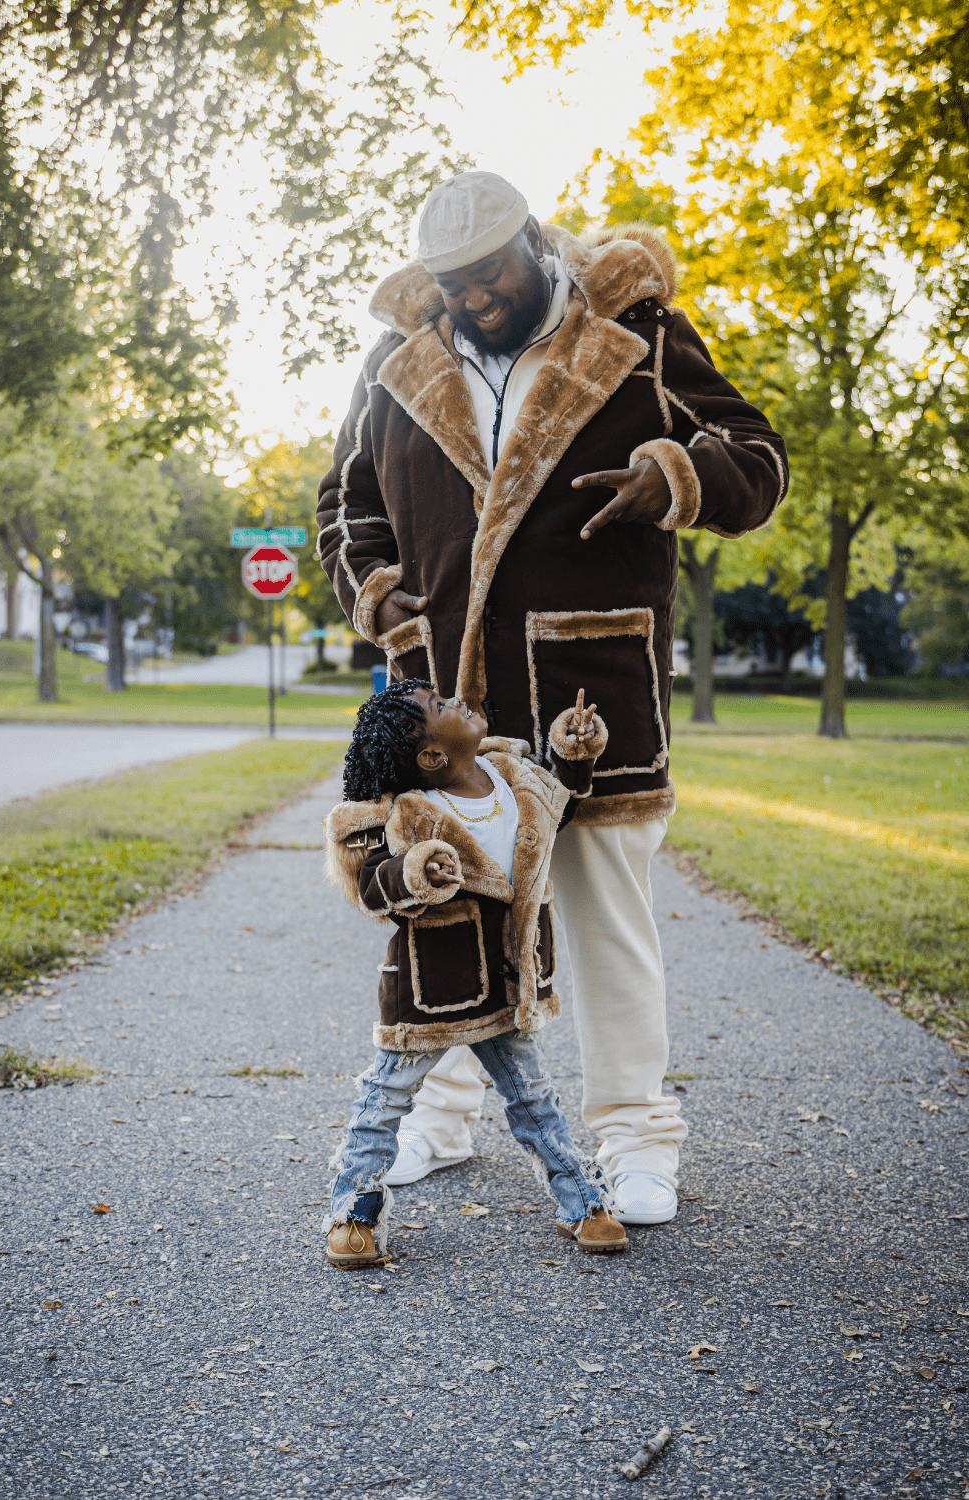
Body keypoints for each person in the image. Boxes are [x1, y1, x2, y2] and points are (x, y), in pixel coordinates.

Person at [317, 171, 789, 1225]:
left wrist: (672, 479)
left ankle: (634, 1136)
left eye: (489, 280)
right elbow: (344, 499)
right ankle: (439, 1122)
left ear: (532, 245)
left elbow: (757, 460)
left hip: (593, 687)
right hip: (442, 696)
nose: (475, 303)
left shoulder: (637, 331)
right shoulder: (398, 355)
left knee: (608, 919)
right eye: (454, 288)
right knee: (442, 907)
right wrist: (374, 592)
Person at [323, 679, 628, 1266]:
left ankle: (582, 1201)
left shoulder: (514, 779)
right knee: (384, 1098)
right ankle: (352, 1210)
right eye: (440, 707)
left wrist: (572, 755)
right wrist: (412, 871)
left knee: (534, 1099)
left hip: (509, 987)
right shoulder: (412, 814)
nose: (456, 699)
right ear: (433, 756)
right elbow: (372, 887)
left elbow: (559, 807)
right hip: (430, 990)